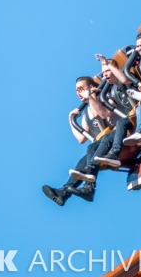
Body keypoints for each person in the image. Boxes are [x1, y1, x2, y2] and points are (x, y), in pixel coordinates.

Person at [41, 75, 112, 206]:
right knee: (83, 161)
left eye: (81, 89)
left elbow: (99, 114)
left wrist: (91, 96)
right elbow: (81, 138)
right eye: (77, 91)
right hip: (101, 146)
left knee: (91, 149)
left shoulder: (103, 98)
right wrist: (70, 119)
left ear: (91, 87)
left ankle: (89, 187)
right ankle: (64, 193)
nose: (79, 93)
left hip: (114, 138)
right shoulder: (87, 113)